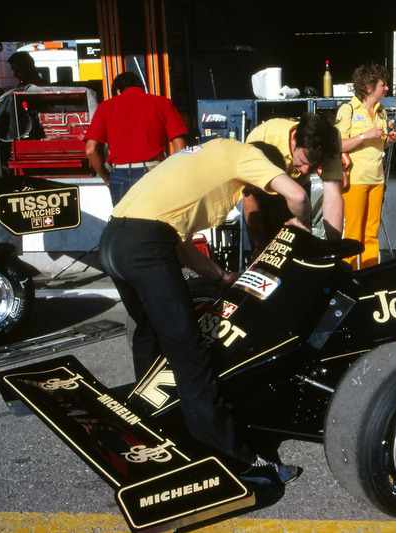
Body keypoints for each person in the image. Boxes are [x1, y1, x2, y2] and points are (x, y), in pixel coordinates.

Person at [98, 138, 309, 486]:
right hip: (144, 245)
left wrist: (222, 277)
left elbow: (178, 243)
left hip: (113, 241)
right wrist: (301, 227)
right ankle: (237, 460)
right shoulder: (247, 155)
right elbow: (298, 197)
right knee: (189, 354)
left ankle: (153, 425)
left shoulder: (209, 153)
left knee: (150, 335)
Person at [84, 72, 188, 205]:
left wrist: (106, 177)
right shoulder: (163, 103)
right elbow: (180, 148)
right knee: (155, 222)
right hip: (154, 172)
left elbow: (91, 150)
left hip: (119, 174)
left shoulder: (105, 107)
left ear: (117, 91)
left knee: (125, 224)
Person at [334, 62, 396, 269]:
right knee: (353, 232)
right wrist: (364, 135)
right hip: (355, 179)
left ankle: (369, 273)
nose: (387, 88)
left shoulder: (381, 112)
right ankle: (347, 275)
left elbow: (378, 145)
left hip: (377, 179)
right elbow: (338, 145)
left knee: (371, 232)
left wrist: (389, 139)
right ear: (369, 87)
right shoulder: (348, 109)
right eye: (384, 84)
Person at [244, 113, 342, 253]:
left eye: (315, 167)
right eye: (302, 162)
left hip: (300, 188)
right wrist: (259, 244)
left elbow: (333, 196)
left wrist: (335, 250)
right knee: (269, 254)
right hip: (265, 193)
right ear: (295, 140)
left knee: (299, 248)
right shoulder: (262, 138)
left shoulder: (330, 141)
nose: (306, 170)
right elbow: (249, 195)